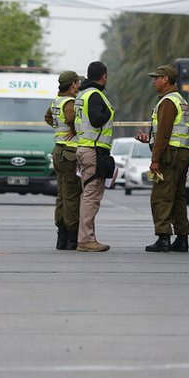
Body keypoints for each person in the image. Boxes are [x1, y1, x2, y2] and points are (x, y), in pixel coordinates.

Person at [137, 64, 189, 253]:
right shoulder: (179, 100)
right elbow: (165, 133)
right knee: (177, 196)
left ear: (166, 80)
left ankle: (163, 238)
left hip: (170, 154)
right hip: (181, 153)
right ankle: (182, 238)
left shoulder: (168, 102)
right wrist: (148, 139)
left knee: (161, 196)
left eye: (156, 78)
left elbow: (164, 133)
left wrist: (155, 159)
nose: (154, 81)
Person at [74, 61, 115, 253]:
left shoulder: (82, 94)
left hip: (84, 148)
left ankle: (86, 237)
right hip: (94, 150)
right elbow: (97, 119)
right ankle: (86, 239)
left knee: (87, 195)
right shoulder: (95, 95)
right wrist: (109, 111)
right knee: (91, 197)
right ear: (103, 76)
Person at [44, 70, 81, 249]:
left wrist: (58, 127)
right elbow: (71, 118)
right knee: (72, 195)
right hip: (70, 152)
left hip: (58, 150)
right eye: (78, 83)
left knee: (62, 195)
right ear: (73, 84)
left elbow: (48, 117)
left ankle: (62, 237)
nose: (79, 86)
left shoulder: (56, 101)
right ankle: (72, 236)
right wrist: (73, 129)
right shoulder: (69, 102)